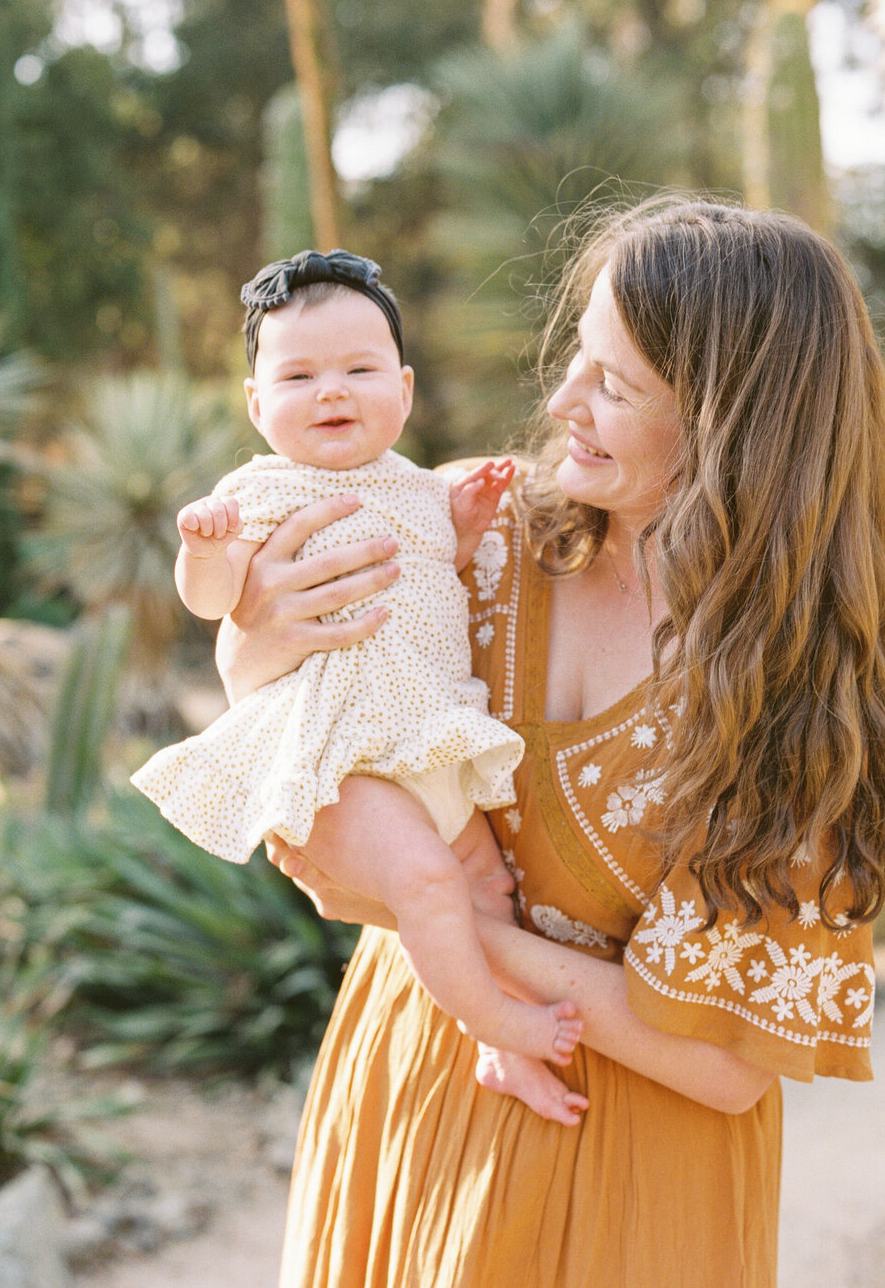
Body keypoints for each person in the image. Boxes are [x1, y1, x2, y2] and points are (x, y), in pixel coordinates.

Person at [218, 200, 885, 1288]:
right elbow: (272, 698)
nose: (562, 403)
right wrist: (249, 638)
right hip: (411, 1084)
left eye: (616, 386)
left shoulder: (802, 697)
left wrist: (446, 917)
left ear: (730, 424)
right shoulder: (471, 533)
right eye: (577, 362)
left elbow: (723, 1063)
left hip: (639, 1183)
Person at [132, 249, 587, 1091]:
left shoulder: (417, 485)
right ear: (257, 403)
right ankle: (488, 1017)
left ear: (404, 392)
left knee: (489, 888)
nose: (331, 390)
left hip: (425, 733)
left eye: (358, 368)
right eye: (299, 375)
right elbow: (215, 601)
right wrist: (201, 548)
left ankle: (506, 1055)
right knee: (425, 878)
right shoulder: (262, 488)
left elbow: (431, 572)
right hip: (340, 751)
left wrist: (463, 523)